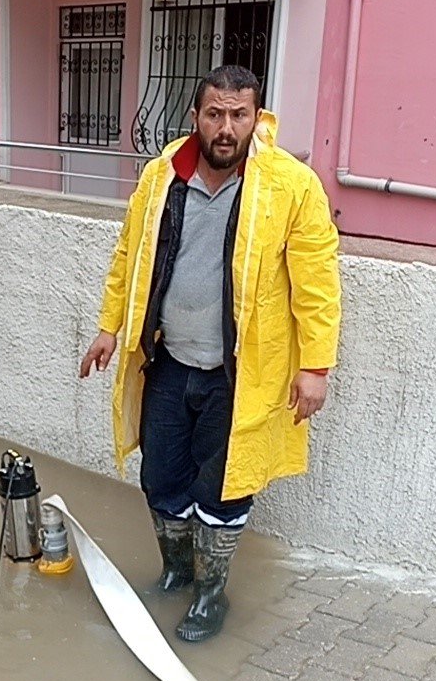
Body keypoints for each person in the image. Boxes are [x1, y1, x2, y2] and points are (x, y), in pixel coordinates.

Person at [78, 65, 342, 643]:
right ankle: (176, 570)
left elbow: (317, 285)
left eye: (238, 115)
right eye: (215, 114)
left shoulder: (291, 186)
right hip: (169, 362)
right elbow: (129, 256)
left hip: (239, 375)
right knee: (160, 477)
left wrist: (315, 367)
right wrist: (109, 327)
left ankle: (210, 593)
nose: (226, 128)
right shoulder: (162, 175)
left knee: (223, 487)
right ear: (195, 115)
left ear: (257, 118)